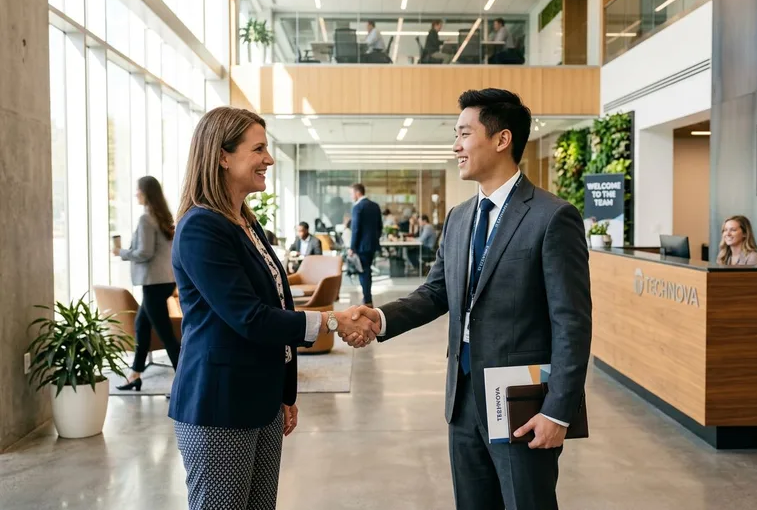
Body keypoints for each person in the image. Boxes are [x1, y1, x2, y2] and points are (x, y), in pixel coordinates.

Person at [344, 89, 592, 510]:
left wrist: (557, 412)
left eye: (464, 133)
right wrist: (380, 319)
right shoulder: (460, 218)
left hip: (522, 403)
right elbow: (437, 292)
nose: (456, 146)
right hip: (462, 400)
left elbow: (572, 322)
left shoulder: (552, 217)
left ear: (501, 139)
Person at [169, 107, 380, 510]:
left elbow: (277, 303)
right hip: (219, 406)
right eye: (259, 148)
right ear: (222, 156)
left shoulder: (246, 222)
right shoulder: (201, 227)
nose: (268, 159)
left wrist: (284, 393)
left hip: (261, 400)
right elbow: (250, 317)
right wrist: (335, 320)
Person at [114, 176, 180, 392]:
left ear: (145, 193)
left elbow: (144, 252)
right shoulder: (162, 217)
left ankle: (184, 384)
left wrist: (120, 252)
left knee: (165, 334)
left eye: (138, 190)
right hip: (165, 281)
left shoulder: (146, 219)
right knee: (142, 325)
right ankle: (135, 375)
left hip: (153, 283)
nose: (136, 194)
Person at [349, 183, 382, 307]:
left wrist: (352, 247)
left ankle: (367, 300)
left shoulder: (358, 207)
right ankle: (367, 298)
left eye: (351, 193)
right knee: (367, 271)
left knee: (363, 272)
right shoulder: (375, 206)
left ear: (358, 193)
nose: (351, 196)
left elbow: (355, 229)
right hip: (372, 245)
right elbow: (380, 226)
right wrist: (374, 239)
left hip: (361, 246)